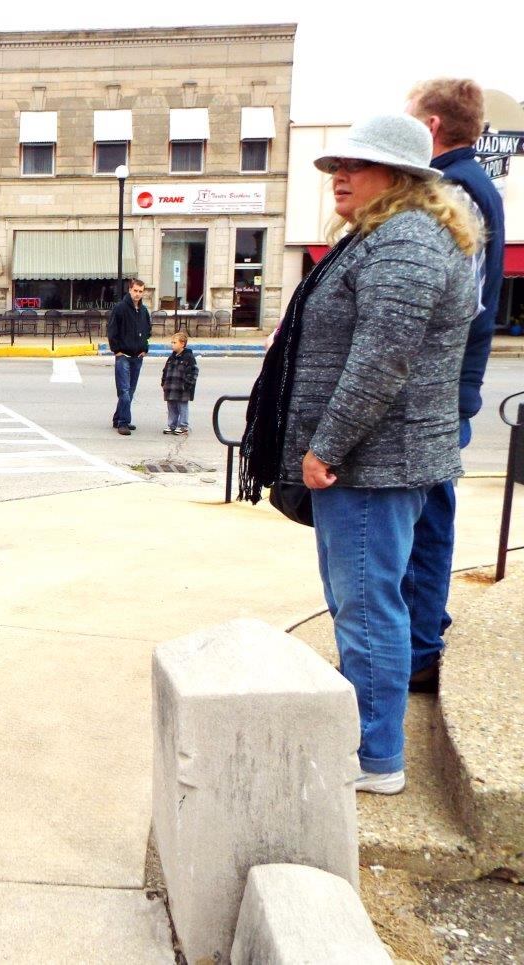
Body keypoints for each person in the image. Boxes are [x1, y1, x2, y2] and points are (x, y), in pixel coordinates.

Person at [240, 114, 478, 795]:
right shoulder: (385, 236)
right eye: (336, 166)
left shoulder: (404, 242)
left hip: (373, 464)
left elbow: (382, 358)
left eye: (356, 166)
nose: (339, 177)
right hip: (374, 460)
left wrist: (326, 445)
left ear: (399, 177)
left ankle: (377, 756)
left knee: (368, 609)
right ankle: (370, 740)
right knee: (363, 603)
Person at [404, 79, 506, 693]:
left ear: (432, 126)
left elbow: (452, 308)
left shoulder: (454, 190)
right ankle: (423, 631)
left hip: (436, 391)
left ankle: (419, 649)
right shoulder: (469, 183)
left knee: (422, 522)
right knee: (427, 518)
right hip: (447, 388)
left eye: (410, 119)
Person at [107, 278, 151, 435]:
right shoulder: (120, 308)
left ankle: (118, 418)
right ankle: (123, 423)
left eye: (140, 291)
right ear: (130, 290)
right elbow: (112, 330)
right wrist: (117, 350)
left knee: (130, 391)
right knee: (124, 390)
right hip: (123, 356)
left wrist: (145, 348)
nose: (138, 294)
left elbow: (147, 331)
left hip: (137, 357)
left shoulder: (143, 311)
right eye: (135, 290)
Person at [160, 331, 197, 435]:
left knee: (182, 407)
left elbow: (194, 372)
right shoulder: (171, 357)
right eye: (172, 342)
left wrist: (188, 384)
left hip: (182, 388)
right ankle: (172, 425)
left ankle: (183, 426)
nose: (172, 344)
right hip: (171, 387)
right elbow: (165, 370)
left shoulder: (188, 357)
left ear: (182, 343)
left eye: (174, 342)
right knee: (171, 407)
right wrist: (163, 382)